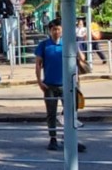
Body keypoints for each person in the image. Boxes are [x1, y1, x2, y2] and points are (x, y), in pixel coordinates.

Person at [35, 19, 87, 152]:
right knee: (51, 113)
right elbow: (38, 64)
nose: (56, 32)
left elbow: (82, 58)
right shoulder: (44, 45)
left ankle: (70, 138)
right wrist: (39, 81)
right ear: (50, 31)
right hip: (50, 85)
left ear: (62, 30)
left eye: (58, 29)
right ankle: (53, 138)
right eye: (54, 29)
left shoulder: (68, 43)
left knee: (70, 112)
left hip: (67, 85)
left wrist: (75, 44)